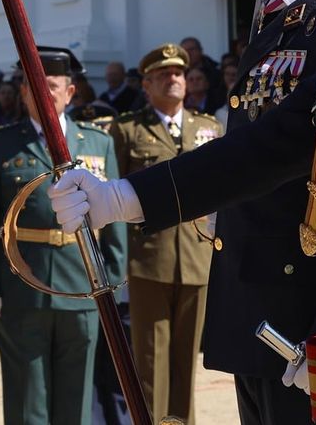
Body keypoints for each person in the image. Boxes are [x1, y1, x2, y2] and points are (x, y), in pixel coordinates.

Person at [51, 0, 316, 425]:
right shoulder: (280, 17)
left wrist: (126, 197)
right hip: (256, 299)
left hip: (305, 302)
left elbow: (279, 148)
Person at [0, 48, 125, 425]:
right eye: (35, 85)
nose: (44, 93)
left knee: (77, 400)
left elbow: (116, 223)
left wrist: (117, 282)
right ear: (24, 92)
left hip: (84, 285)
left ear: (70, 92)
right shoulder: (1, 145)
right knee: (27, 400)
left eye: (52, 86)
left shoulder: (97, 142)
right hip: (24, 286)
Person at [106, 43, 221, 425]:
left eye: (179, 74)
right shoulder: (127, 130)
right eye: (165, 75)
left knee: (187, 363)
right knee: (150, 365)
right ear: (147, 84)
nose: (174, 79)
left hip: (196, 257)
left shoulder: (209, 128)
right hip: (148, 259)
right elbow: (112, 194)